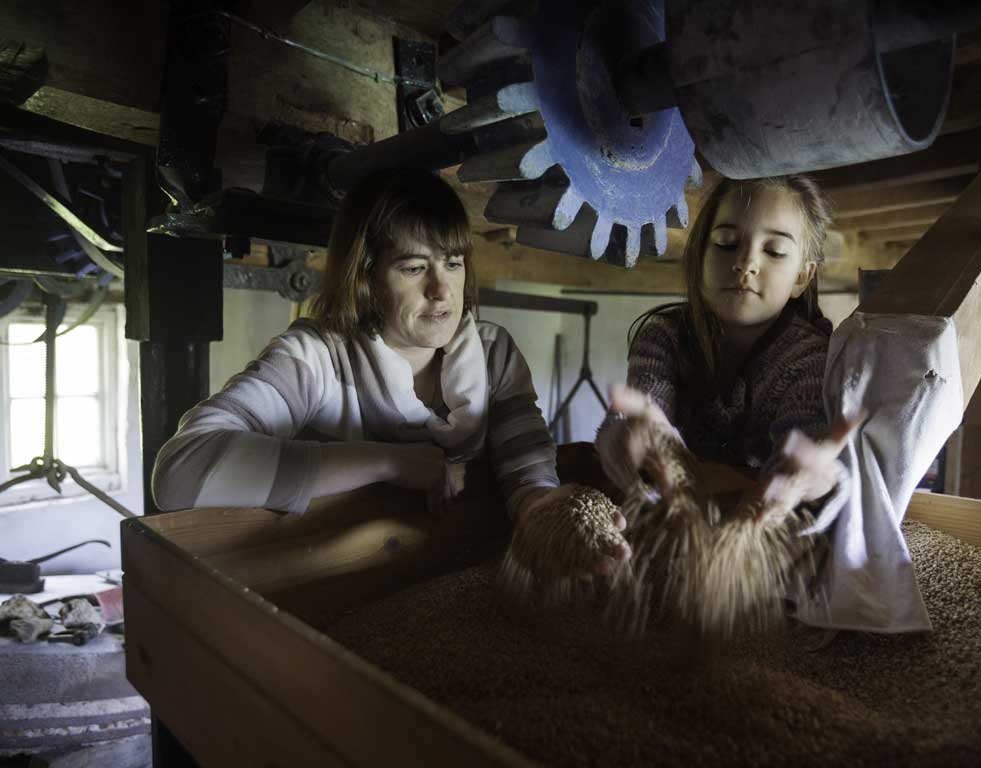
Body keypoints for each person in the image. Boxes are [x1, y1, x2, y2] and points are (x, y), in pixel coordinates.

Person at [151, 169, 629, 576]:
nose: (442, 291)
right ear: (366, 278)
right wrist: (389, 461)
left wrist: (543, 512)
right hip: (335, 583)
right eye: (415, 268)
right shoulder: (317, 359)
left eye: (453, 264)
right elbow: (180, 472)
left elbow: (526, 466)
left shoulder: (493, 353)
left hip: (460, 571)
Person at [597, 174, 853, 514]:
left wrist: (811, 477)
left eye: (774, 251)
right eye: (727, 242)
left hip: (762, 522)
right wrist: (633, 432)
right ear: (700, 253)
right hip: (677, 509)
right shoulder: (664, 336)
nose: (746, 263)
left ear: (802, 277)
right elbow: (646, 405)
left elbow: (802, 447)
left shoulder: (808, 356)